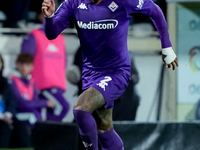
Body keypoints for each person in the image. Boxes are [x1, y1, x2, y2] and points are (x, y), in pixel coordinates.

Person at [41, 0, 178, 149]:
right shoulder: (73, 3)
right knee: (104, 128)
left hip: (116, 72)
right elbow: (51, 33)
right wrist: (49, 18)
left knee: (81, 108)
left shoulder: (123, 2)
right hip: (90, 75)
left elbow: (155, 10)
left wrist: (167, 48)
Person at [21, 11, 70, 122]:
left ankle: (48, 134)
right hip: (40, 85)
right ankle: (49, 133)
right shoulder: (34, 36)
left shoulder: (60, 38)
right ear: (40, 16)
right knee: (62, 107)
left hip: (57, 85)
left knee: (50, 112)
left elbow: (64, 62)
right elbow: (24, 60)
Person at [9, 53, 55, 129]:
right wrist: (45, 103)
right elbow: (20, 103)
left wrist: (46, 103)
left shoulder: (31, 82)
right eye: (21, 64)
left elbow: (35, 101)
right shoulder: (11, 80)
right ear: (17, 64)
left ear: (32, 66)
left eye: (27, 64)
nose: (24, 67)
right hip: (16, 114)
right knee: (33, 117)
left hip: (30, 114)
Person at [0, 54, 31, 148]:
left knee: (21, 127)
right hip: (1, 118)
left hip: (6, 116)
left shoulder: (4, 82)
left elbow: (12, 100)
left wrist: (8, 114)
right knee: (4, 128)